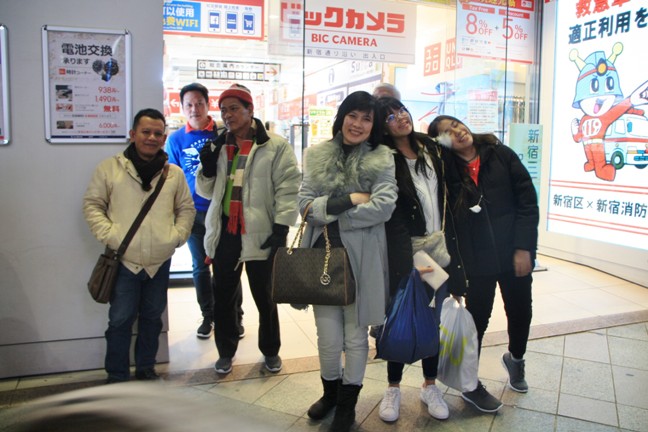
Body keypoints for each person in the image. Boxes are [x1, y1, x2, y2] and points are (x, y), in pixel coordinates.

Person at [298, 91, 397, 432]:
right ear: (341, 117)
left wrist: (331, 212)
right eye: (352, 115)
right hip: (322, 258)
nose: (358, 124)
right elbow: (304, 206)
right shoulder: (316, 155)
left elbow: (384, 206)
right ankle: (330, 394)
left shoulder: (382, 158)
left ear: (373, 125)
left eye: (366, 119)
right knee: (327, 336)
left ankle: (347, 404)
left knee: (355, 338)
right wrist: (352, 199)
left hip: (363, 262)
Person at [427, 115, 539, 413]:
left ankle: (516, 359)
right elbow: (448, 225)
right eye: (447, 132)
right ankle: (468, 382)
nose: (458, 132)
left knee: (520, 310)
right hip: (475, 260)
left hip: (513, 253)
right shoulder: (446, 172)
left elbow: (527, 202)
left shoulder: (500, 154)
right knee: (476, 320)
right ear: (441, 143)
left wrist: (524, 247)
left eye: (457, 125)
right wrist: (455, 269)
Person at [83, 108, 195, 384]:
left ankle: (146, 368)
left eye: (158, 133)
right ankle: (117, 374)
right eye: (146, 132)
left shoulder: (174, 174)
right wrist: (112, 236)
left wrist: (176, 237)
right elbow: (93, 205)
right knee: (120, 320)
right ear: (133, 135)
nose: (152, 138)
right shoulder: (110, 169)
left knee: (153, 318)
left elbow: (186, 209)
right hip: (124, 260)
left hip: (159, 261)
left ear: (164, 138)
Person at [196, 84, 301, 375]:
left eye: (234, 109)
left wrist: (281, 227)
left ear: (250, 110)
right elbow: (206, 192)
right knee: (224, 297)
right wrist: (207, 168)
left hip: (262, 232)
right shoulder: (218, 146)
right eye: (223, 110)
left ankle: (271, 350)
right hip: (225, 233)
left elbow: (288, 188)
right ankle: (225, 351)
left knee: (265, 297)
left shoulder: (275, 146)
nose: (227, 115)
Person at [376, 98, 468, 423]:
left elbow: (460, 146)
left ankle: (430, 386)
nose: (400, 118)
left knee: (433, 318)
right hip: (413, 252)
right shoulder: (386, 158)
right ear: (382, 126)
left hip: (439, 249)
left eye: (401, 111)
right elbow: (393, 215)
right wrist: (408, 262)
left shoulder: (431, 148)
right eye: (390, 116)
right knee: (404, 314)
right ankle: (393, 387)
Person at [165, 83, 244, 340]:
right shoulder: (175, 140)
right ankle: (208, 315)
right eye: (189, 104)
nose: (194, 109)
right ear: (181, 107)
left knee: (229, 265)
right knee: (200, 266)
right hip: (192, 214)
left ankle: (235, 315)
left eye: (199, 103)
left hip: (223, 211)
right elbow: (172, 179)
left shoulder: (224, 132)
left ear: (207, 105)